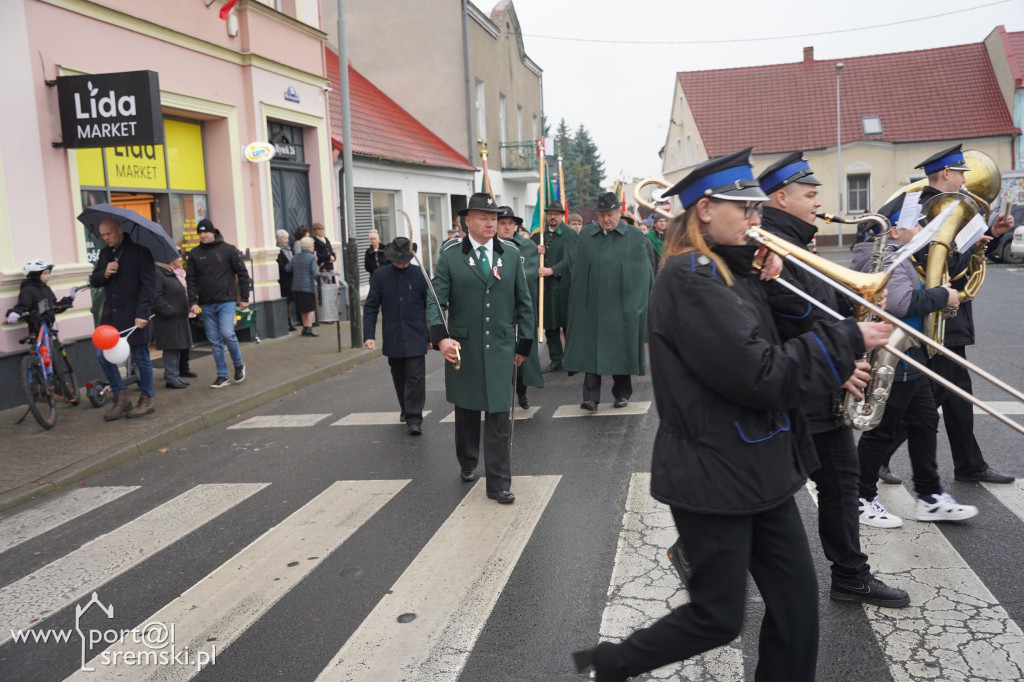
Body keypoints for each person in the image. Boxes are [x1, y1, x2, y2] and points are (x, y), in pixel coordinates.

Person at [573, 149, 888, 682]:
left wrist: (764, 281)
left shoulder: (730, 271)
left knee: (796, 611)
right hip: (713, 475)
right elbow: (761, 375)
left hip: (763, 468)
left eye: (756, 209)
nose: (754, 219)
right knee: (717, 619)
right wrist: (847, 338)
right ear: (703, 210)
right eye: (743, 209)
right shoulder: (690, 280)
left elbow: (775, 332)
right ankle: (604, 665)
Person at [755, 151, 909, 608]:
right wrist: (838, 360)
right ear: (781, 197)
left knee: (834, 482)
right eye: (810, 193)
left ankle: (849, 575)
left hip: (818, 382)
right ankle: (705, 558)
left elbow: (821, 306)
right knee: (782, 487)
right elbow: (792, 319)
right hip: (809, 386)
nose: (818, 201)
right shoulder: (776, 246)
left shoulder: (798, 241)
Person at [876, 144, 1015, 485]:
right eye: (961, 172)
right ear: (947, 173)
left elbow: (965, 259)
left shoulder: (960, 207)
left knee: (952, 391)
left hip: (951, 310)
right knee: (936, 392)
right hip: (934, 310)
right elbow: (920, 258)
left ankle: (968, 463)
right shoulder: (917, 208)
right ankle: (877, 454)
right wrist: (966, 249)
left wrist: (991, 239)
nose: (966, 178)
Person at [851, 197, 979, 527]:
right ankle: (859, 497)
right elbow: (899, 303)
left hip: (910, 356)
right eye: (916, 225)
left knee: (924, 422)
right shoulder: (883, 257)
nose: (922, 230)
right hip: (893, 359)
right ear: (894, 230)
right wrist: (943, 296)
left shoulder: (901, 255)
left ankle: (930, 495)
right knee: (882, 431)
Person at [427, 193, 533, 505]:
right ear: (467, 222)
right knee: (468, 411)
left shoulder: (511, 254)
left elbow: (523, 302)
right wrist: (441, 338)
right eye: (484, 218)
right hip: (465, 348)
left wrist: (524, 343)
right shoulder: (450, 256)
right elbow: (436, 302)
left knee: (499, 415)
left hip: (500, 346)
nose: (491, 223)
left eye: (494, 218)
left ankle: (498, 483)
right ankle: (468, 460)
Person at [562, 192, 653, 411]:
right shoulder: (586, 236)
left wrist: (637, 305)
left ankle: (621, 393)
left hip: (622, 306)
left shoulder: (634, 236)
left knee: (619, 350)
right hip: (592, 307)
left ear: (619, 212)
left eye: (610, 214)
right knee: (590, 352)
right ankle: (590, 398)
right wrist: (578, 304)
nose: (606, 219)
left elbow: (643, 274)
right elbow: (579, 273)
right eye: (602, 215)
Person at [88, 219, 157, 419]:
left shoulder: (140, 253)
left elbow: (149, 286)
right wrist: (105, 272)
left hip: (135, 315)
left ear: (119, 231)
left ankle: (147, 398)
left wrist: (142, 313)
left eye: (109, 234)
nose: (106, 238)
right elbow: (94, 280)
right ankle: (121, 397)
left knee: (141, 356)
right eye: (103, 235)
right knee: (102, 356)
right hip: (111, 317)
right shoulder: (104, 254)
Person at [363, 237, 429, 435]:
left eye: (404, 259)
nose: (401, 263)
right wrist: (369, 335)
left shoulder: (420, 275)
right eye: (397, 260)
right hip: (393, 335)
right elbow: (371, 306)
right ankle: (405, 408)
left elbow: (431, 307)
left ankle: (414, 418)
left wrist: (434, 335)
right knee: (399, 375)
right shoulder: (381, 275)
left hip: (417, 335)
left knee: (416, 377)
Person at [186, 218, 250, 389]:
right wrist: (193, 301)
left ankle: (238, 364)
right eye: (200, 232)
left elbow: (242, 273)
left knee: (227, 333)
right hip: (206, 304)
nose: (203, 235)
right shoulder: (194, 254)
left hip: (226, 301)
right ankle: (222, 375)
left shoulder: (228, 250)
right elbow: (190, 279)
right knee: (214, 341)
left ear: (213, 232)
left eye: (206, 231)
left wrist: (244, 298)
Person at [6, 259, 77, 403]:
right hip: (36, 327)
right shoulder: (28, 290)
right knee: (41, 358)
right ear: (34, 275)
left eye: (48, 273)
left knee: (50, 358)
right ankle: (41, 390)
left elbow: (54, 306)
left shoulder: (46, 289)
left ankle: (57, 386)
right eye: (45, 273)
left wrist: (69, 299)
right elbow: (23, 305)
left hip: (48, 327)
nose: (48, 276)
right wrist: (13, 314)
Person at [497, 206, 543, 409]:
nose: (507, 227)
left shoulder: (526, 246)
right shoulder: (489, 247)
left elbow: (530, 277)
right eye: (503, 223)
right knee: (500, 356)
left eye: (510, 223)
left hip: (520, 309)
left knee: (522, 354)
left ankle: (522, 392)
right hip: (497, 310)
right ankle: (502, 395)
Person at [532, 201, 578, 372]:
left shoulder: (570, 234)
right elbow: (527, 258)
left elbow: (571, 260)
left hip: (564, 287)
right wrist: (534, 250)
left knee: (567, 326)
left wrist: (552, 270)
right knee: (550, 327)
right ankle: (556, 359)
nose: (552, 217)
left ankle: (572, 359)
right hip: (546, 289)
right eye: (550, 213)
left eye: (556, 214)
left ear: (562, 215)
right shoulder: (539, 236)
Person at [152, 258, 192, 389]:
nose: (178, 259)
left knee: (177, 347)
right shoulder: (157, 273)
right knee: (171, 348)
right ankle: (171, 378)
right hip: (167, 319)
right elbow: (155, 297)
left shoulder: (169, 272)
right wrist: (169, 310)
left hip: (177, 318)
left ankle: (175, 376)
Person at [289, 236, 321, 337]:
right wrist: (321, 281)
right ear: (309, 247)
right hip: (307, 287)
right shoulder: (312, 257)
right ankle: (309, 328)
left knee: (303, 309)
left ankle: (305, 328)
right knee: (310, 308)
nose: (313, 247)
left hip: (296, 287)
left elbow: (288, 268)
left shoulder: (295, 257)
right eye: (312, 245)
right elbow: (315, 272)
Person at [276, 229, 296, 332]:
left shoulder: (289, 249)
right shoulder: (278, 251)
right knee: (286, 301)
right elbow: (282, 267)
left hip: (291, 279)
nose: (287, 240)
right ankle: (286, 323)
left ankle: (290, 322)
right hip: (284, 280)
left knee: (290, 302)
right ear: (279, 240)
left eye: (287, 238)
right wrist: (293, 265)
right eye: (285, 238)